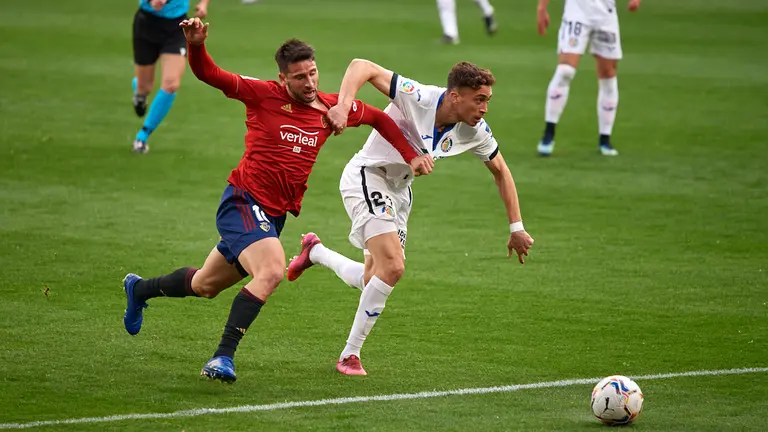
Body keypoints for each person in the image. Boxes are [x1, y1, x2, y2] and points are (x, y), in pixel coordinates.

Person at [121, 17, 435, 383]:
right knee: (270, 271)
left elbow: (380, 118)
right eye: (300, 77)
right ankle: (222, 357)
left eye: (314, 73)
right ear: (283, 78)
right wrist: (196, 45)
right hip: (242, 201)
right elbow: (210, 74)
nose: (310, 83)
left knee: (205, 285)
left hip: (273, 216)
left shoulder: (330, 109)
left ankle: (139, 288)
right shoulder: (262, 94)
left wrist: (409, 154)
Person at [286, 59, 535, 376]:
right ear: (455, 96)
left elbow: (501, 171)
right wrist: (343, 106)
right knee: (394, 266)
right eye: (480, 99)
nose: (485, 108)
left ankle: (315, 252)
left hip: (400, 193)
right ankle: (350, 355)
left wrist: (517, 227)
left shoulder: (475, 130)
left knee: (371, 279)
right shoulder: (418, 96)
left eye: (487, 100)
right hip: (368, 176)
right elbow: (362, 66)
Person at [536, 0, 641, 157]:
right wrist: (542, 7)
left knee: (608, 73)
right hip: (577, 10)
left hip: (605, 13)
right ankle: (548, 134)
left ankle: (605, 139)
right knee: (565, 70)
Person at [130, 0, 210, 154]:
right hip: (147, 23)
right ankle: (139, 92)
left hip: (177, 26)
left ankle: (142, 136)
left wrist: (204, 3)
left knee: (171, 84)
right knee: (144, 87)